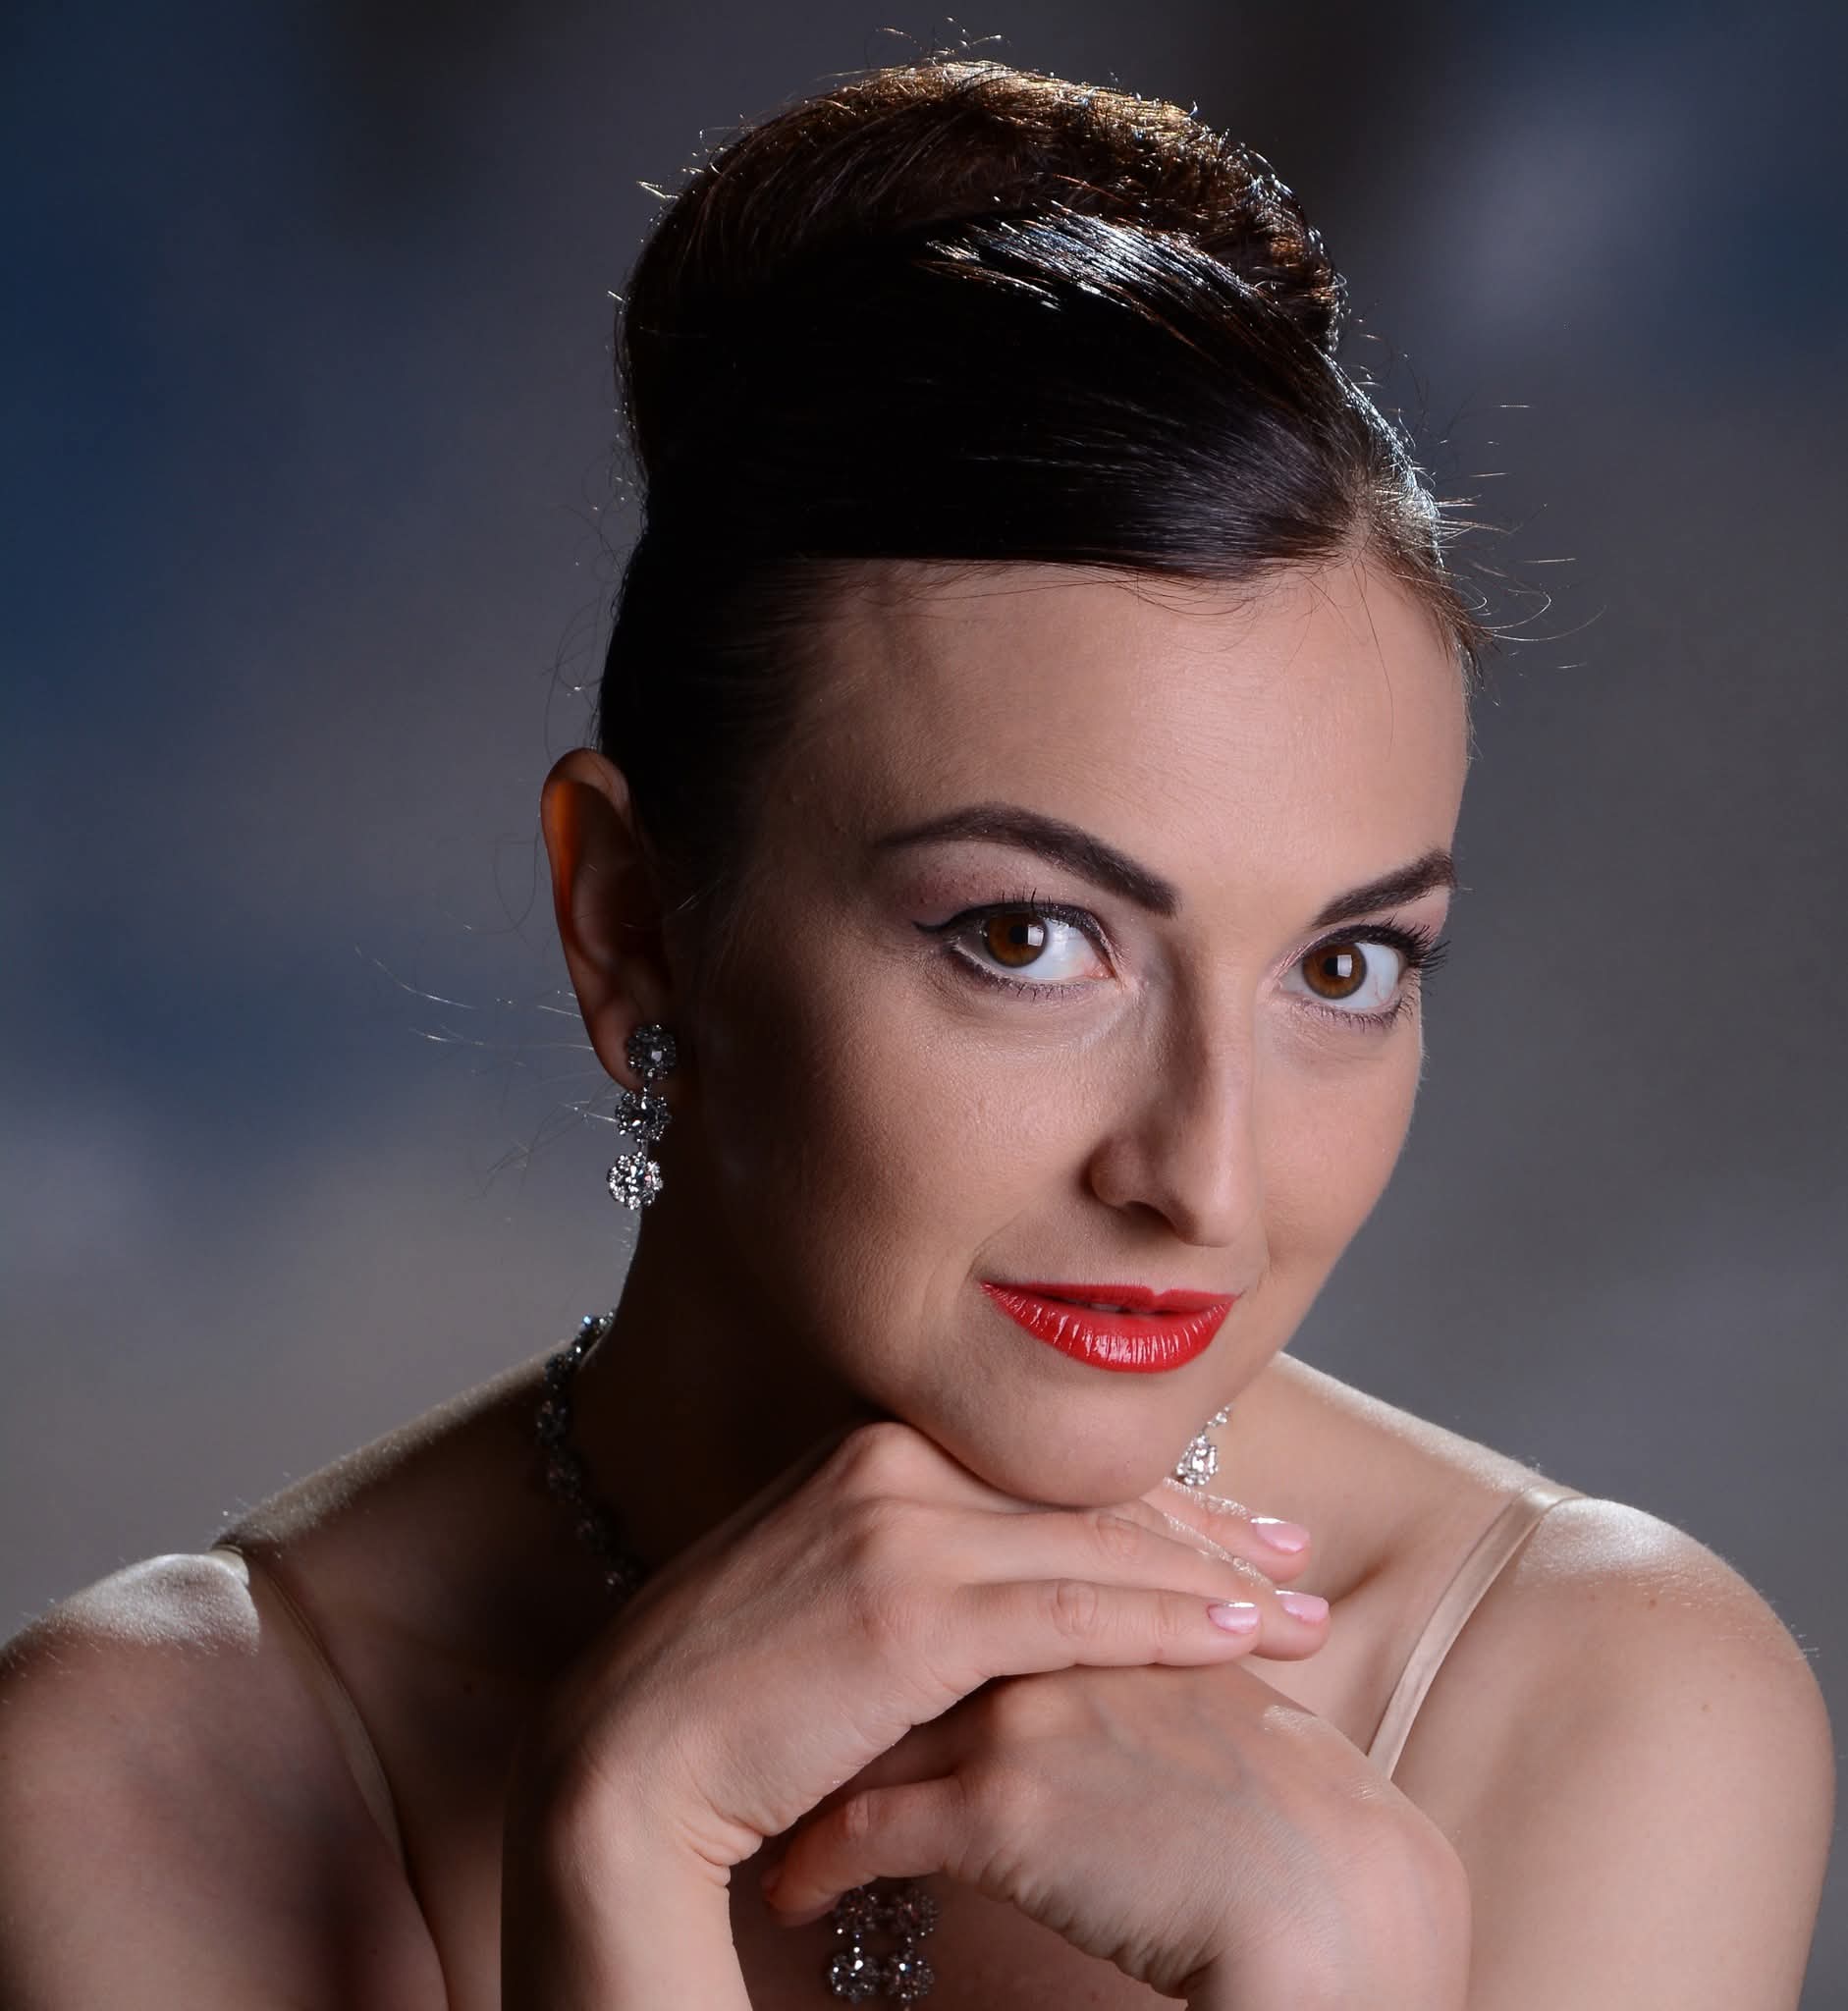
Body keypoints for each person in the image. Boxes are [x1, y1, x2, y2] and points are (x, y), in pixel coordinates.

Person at [0, 54, 1832, 2011]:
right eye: (1029, 937)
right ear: (634, 927)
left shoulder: (1585, 1701)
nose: (1203, 1179)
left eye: (1344, 967)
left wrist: (1330, 1972)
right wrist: (618, 1842)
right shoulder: (146, 1774)